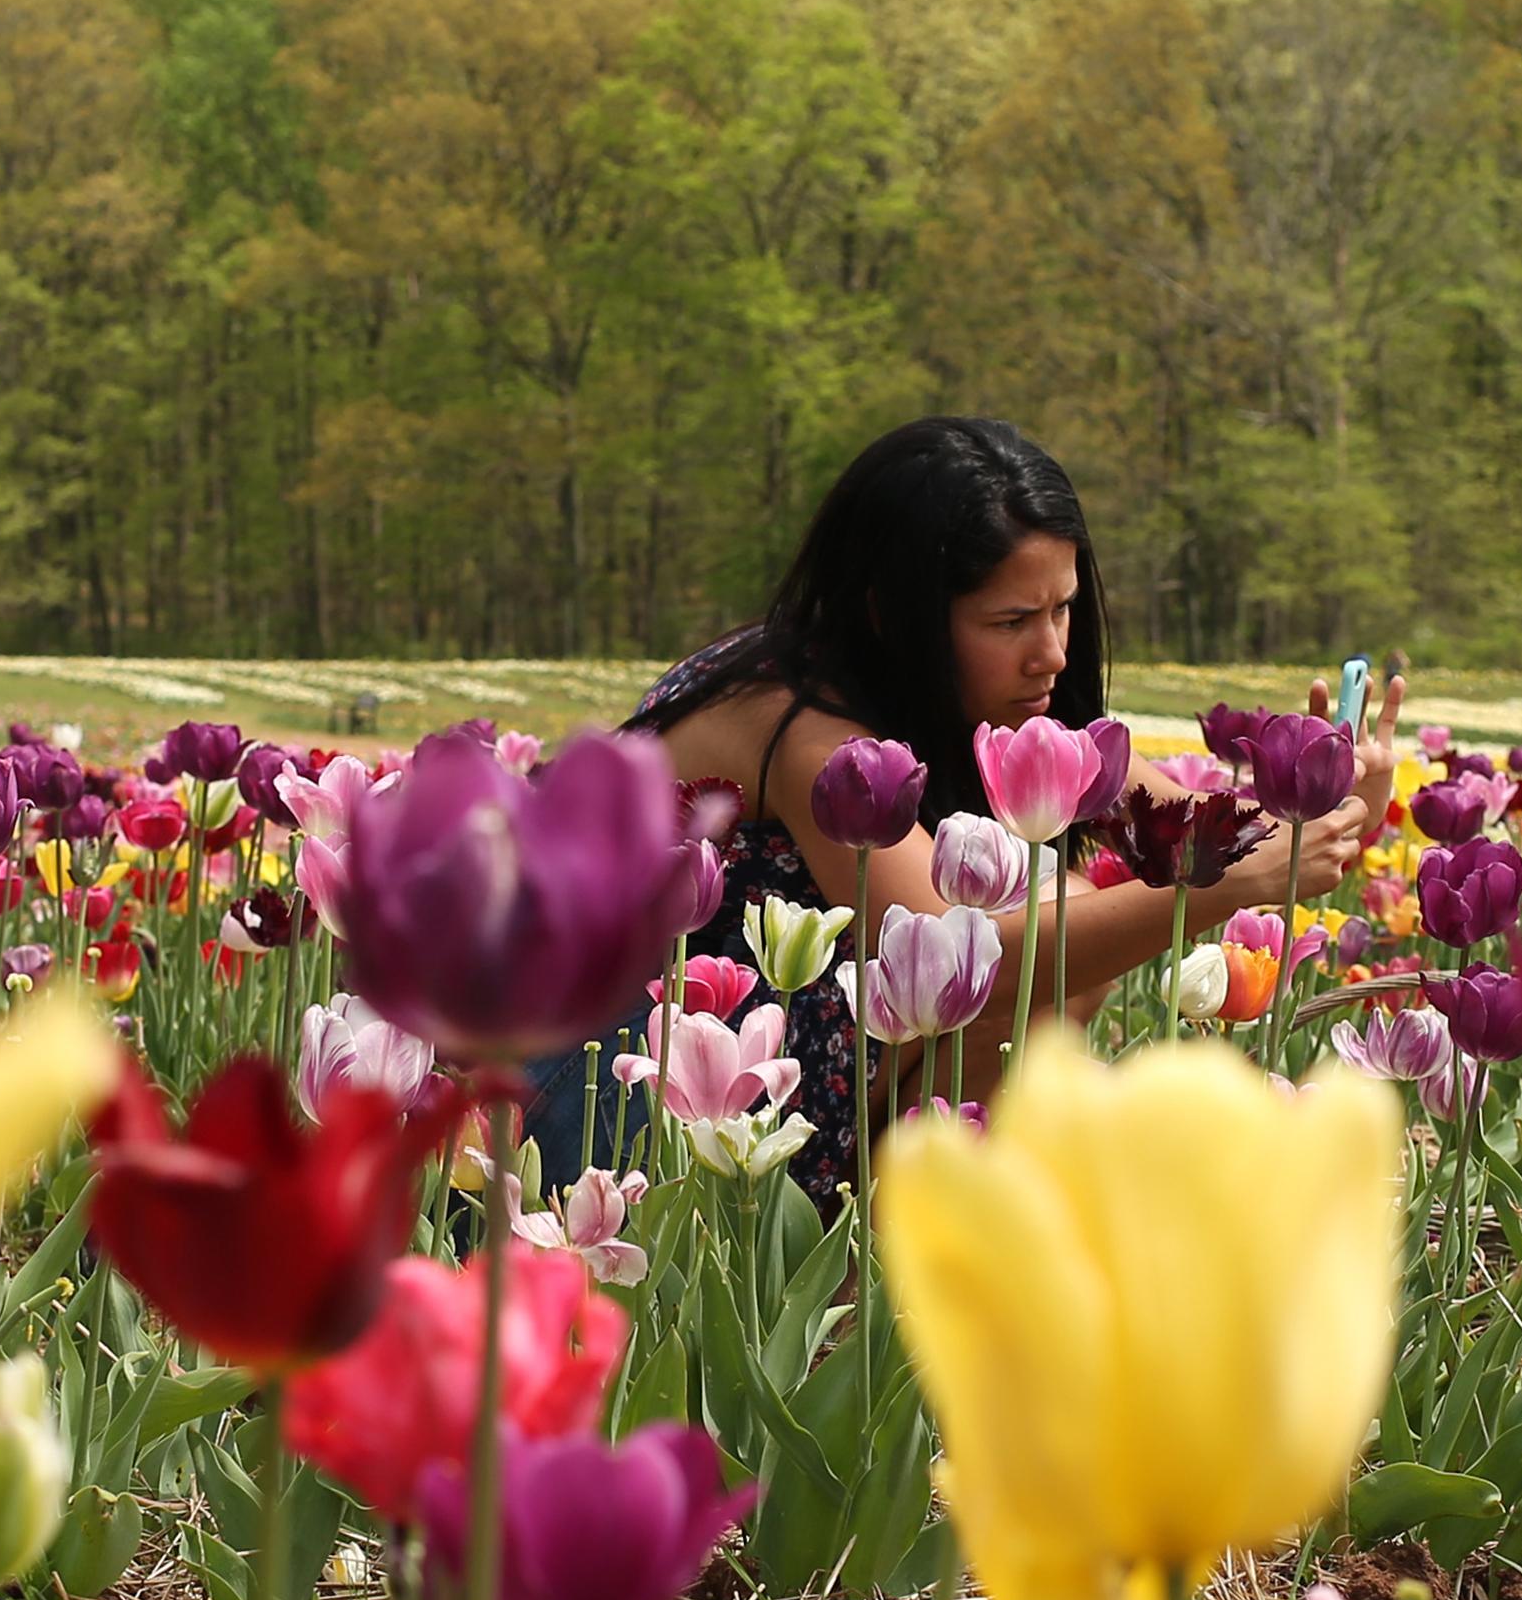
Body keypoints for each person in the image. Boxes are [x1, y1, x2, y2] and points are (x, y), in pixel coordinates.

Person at [523, 415, 1402, 1208]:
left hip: (747, 1077)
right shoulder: (802, 728)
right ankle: (862, 1275)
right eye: (1011, 619)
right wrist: (1205, 891)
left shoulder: (974, 707)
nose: (1052, 652)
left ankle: (893, 1255)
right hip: (596, 1087)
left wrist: (1327, 796)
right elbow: (948, 952)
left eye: (1062, 608)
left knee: (1063, 946)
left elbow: (1201, 831)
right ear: (891, 614)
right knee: (1032, 951)